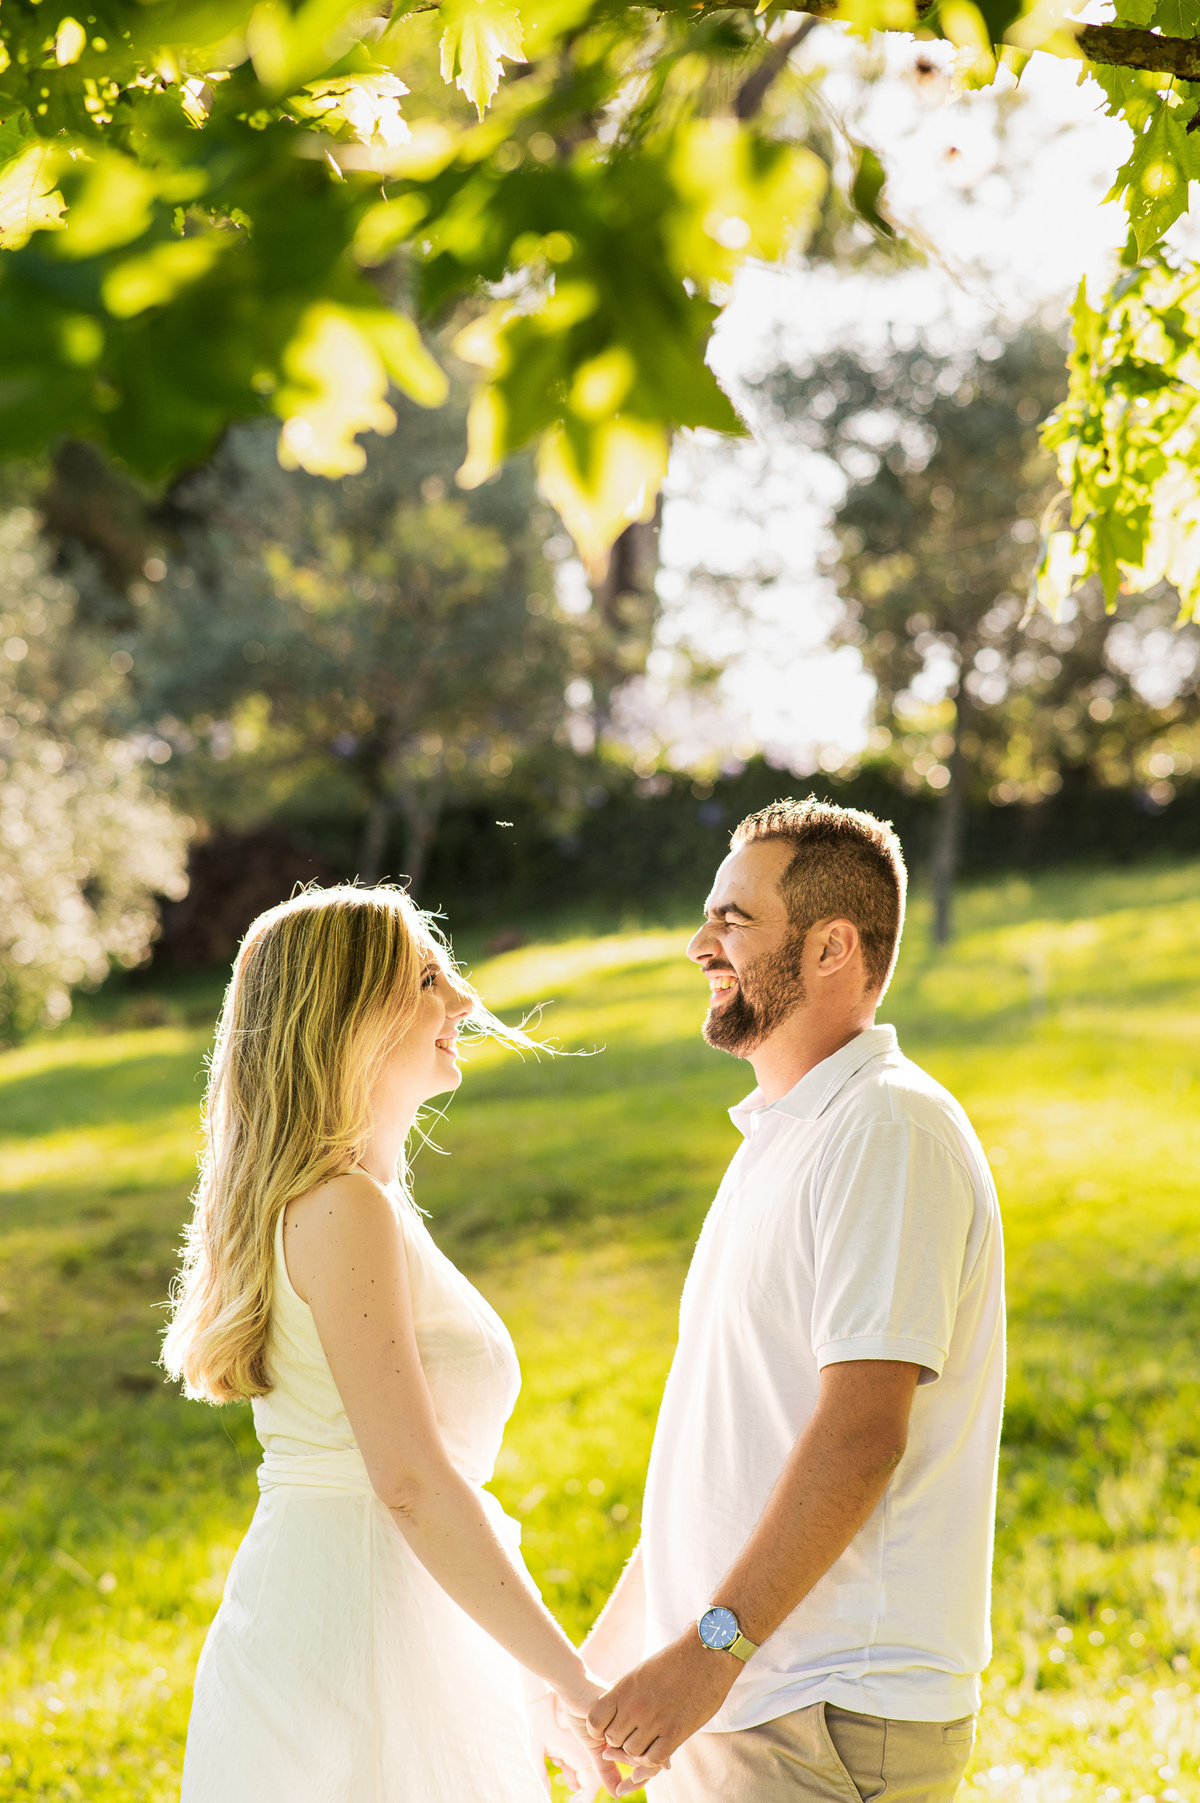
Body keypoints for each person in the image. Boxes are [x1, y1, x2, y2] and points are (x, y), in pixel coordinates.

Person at [162, 884, 634, 1803]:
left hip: (387, 1612)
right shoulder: (344, 1208)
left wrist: (535, 1687)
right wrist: (581, 1685)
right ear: (347, 1016)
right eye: (426, 976)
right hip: (358, 1635)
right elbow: (412, 1481)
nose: (462, 1001)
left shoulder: (355, 1203)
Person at [581, 798, 1006, 1803]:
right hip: (745, 1698)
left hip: (823, 1711)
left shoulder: (887, 1132)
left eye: (733, 919)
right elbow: (736, 1443)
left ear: (831, 947)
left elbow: (861, 1432)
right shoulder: (785, 1133)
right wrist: (623, 1650)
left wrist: (707, 1653)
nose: (700, 944)